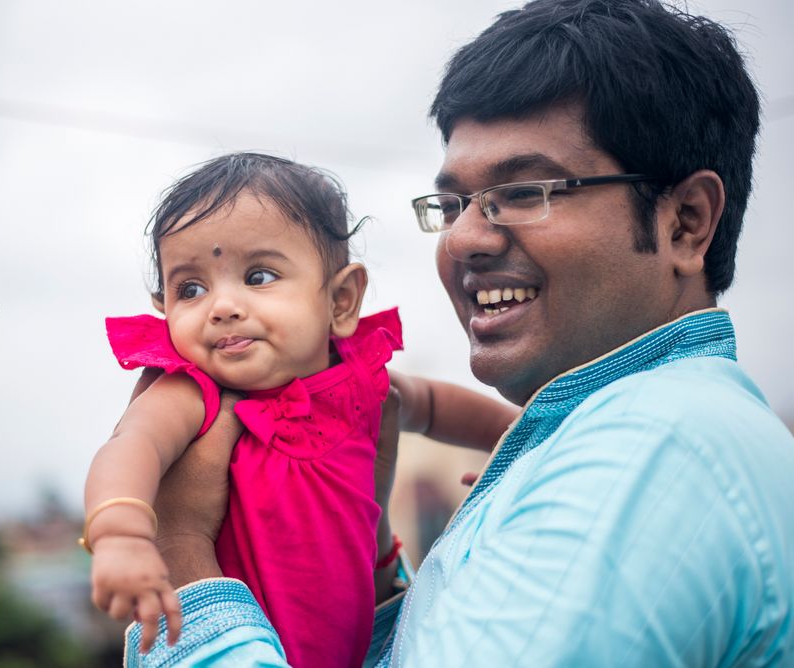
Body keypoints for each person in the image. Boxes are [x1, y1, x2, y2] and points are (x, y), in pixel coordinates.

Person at [122, 0, 794, 666]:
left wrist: (182, 562)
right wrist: (372, 564)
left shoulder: (649, 453)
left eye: (528, 191)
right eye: (452, 204)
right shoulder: (616, 436)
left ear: (686, 222)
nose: (463, 237)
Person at [83, 152, 515, 667]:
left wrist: (522, 440)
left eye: (259, 276)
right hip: (231, 641)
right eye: (191, 288)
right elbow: (132, 445)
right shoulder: (192, 393)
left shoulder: (358, 383)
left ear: (340, 301)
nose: (222, 306)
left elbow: (436, 405)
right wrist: (120, 531)